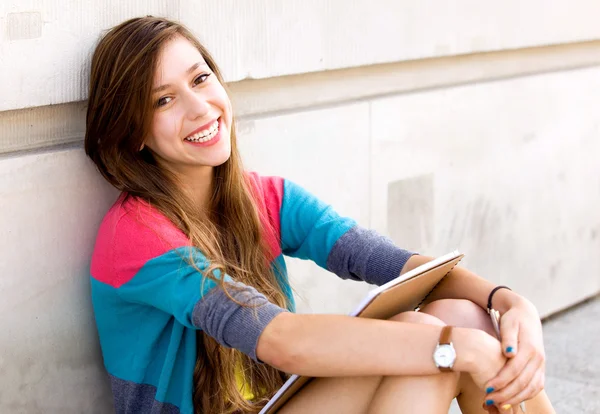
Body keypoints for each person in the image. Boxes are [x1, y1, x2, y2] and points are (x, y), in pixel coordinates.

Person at [85, 16, 555, 414]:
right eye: (162, 100)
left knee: (462, 316)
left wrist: (511, 303)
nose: (197, 107)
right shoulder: (135, 234)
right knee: (434, 343)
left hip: (278, 399)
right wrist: (457, 349)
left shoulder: (264, 198)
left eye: (200, 79)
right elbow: (278, 339)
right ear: (134, 134)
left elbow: (401, 267)